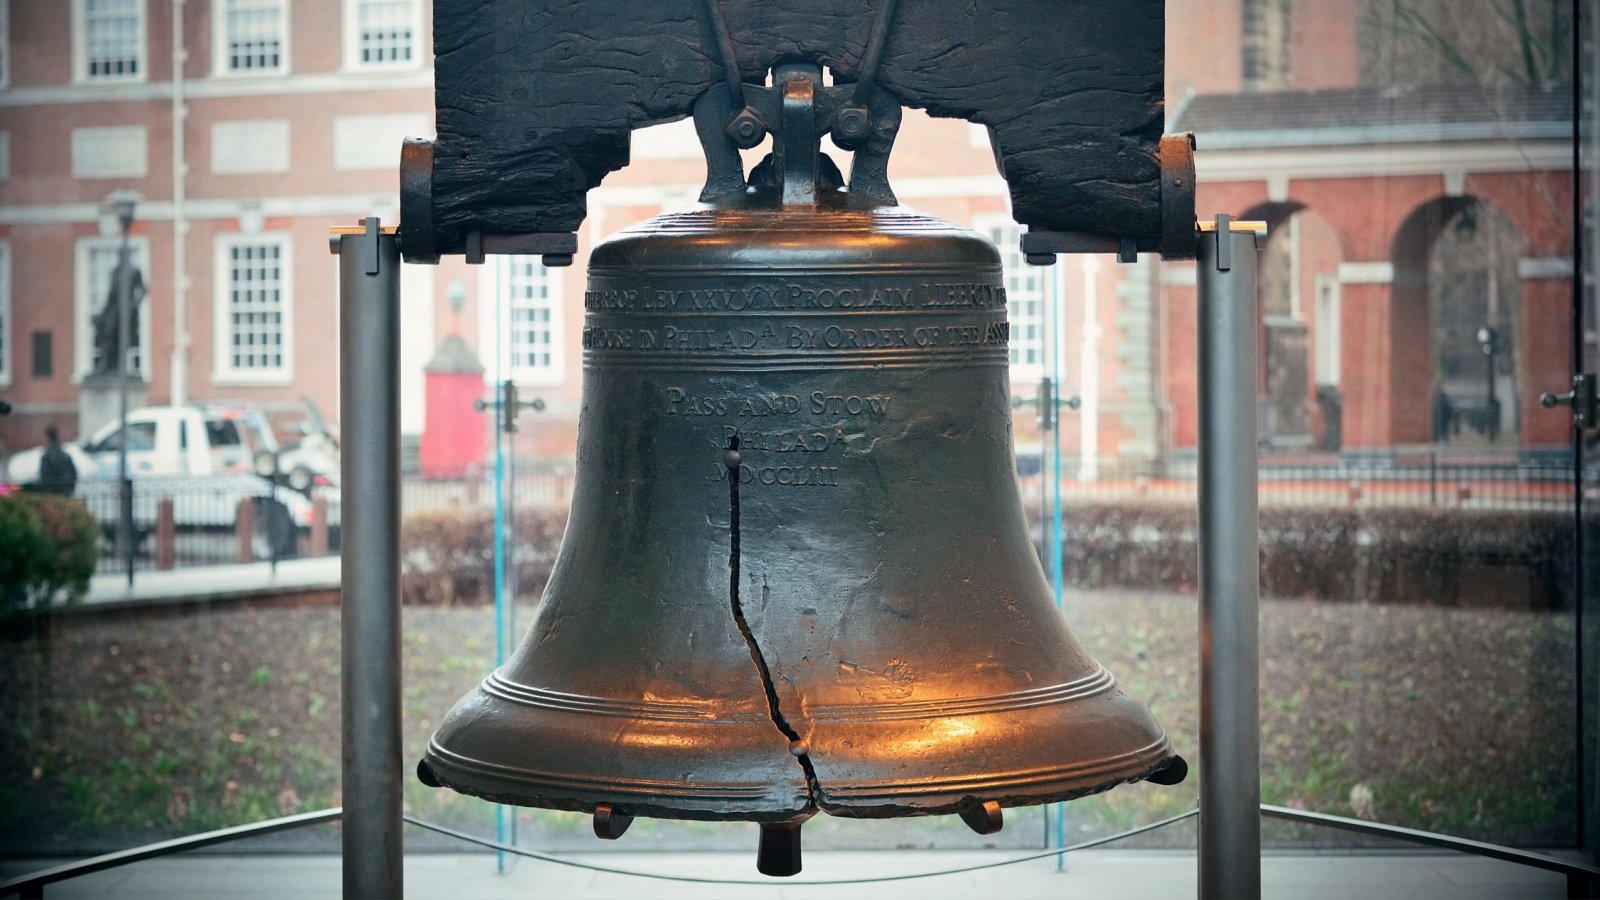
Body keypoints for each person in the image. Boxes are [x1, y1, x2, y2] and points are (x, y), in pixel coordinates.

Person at [36, 425, 77, 495]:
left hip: (53, 496)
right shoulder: (65, 456)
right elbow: (74, 474)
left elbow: (45, 478)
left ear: (47, 437)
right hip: (66, 493)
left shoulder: (46, 458)